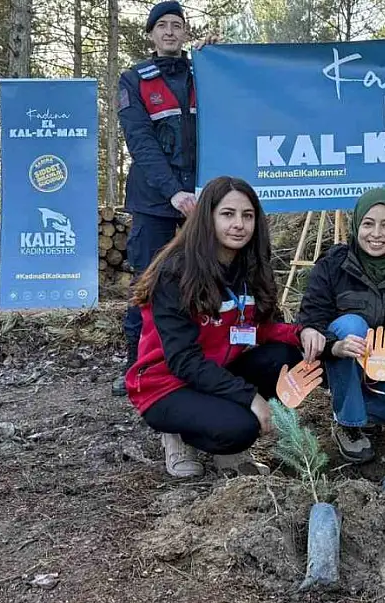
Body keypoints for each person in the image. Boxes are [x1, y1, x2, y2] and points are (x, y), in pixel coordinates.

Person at [125, 176, 327, 478]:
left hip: (214, 372)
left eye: (248, 215)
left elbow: (258, 328)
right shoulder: (175, 272)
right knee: (241, 427)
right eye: (227, 214)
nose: (239, 225)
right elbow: (183, 360)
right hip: (166, 384)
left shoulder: (249, 267)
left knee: (284, 357)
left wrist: (303, 333)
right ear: (207, 218)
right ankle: (179, 433)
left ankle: (221, 442)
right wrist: (249, 397)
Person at [113, 1, 220, 396]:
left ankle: (204, 358)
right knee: (149, 281)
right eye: (163, 26)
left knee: (208, 277)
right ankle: (137, 367)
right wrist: (173, 192)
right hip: (155, 200)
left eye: (178, 25)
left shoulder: (204, 73)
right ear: (152, 34)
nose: (171, 32)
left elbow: (236, 102)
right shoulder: (134, 80)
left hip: (205, 199)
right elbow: (140, 143)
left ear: (186, 33)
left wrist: (217, 55)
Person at [296, 188, 385, 464]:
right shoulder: (334, 264)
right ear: (357, 225)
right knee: (351, 324)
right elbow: (311, 319)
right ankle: (349, 423)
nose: (376, 234)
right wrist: (335, 347)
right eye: (368, 224)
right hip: (335, 362)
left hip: (383, 364)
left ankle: (368, 414)